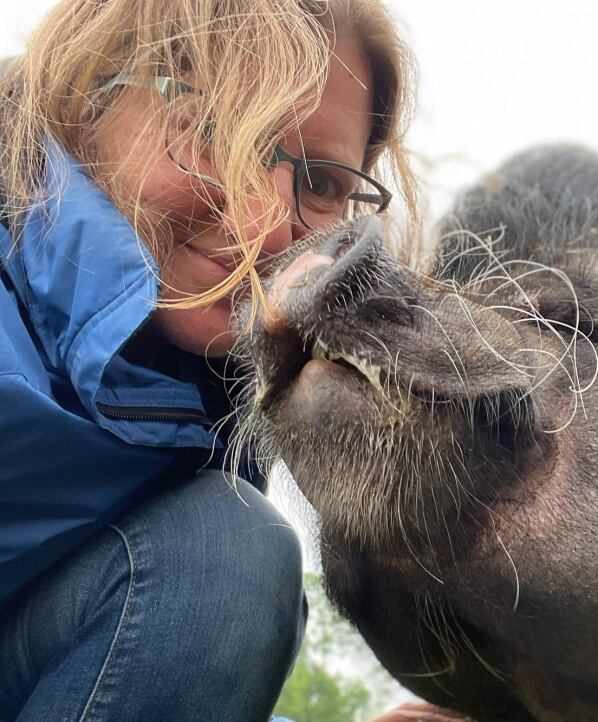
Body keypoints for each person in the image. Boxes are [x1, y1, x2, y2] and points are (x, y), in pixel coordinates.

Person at [0, 0, 467, 719]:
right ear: (85, 97)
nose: (264, 226)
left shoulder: (218, 402)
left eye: (319, 183)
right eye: (213, 131)